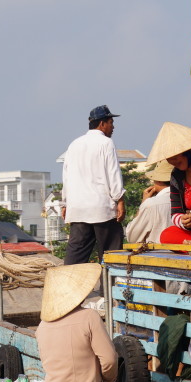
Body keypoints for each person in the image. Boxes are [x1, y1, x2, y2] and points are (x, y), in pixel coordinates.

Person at [61, 105, 126, 264]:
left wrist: (65, 203)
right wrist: (120, 201)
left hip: (78, 209)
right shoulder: (106, 143)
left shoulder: (74, 144)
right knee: (112, 256)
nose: (113, 127)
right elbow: (113, 174)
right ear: (102, 124)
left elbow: (66, 177)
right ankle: (109, 289)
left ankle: (68, 287)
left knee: (75, 258)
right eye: (111, 122)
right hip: (101, 209)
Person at [125, 161, 173, 244]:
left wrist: (144, 203)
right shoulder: (188, 199)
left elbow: (132, 237)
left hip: (156, 254)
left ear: (159, 180)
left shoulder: (150, 204)